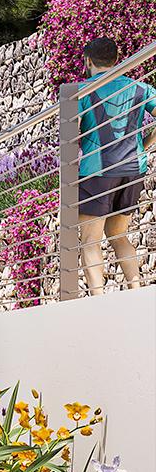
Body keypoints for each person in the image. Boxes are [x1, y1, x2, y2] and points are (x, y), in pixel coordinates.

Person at [75, 37, 153, 293]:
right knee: (118, 234)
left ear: (88, 61)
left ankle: (98, 299)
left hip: (97, 171)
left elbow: (70, 135)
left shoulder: (81, 91)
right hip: (133, 169)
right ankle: (136, 289)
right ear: (116, 60)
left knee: (90, 240)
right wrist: (147, 143)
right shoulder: (141, 89)